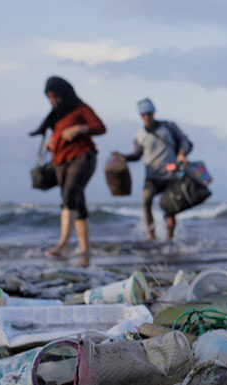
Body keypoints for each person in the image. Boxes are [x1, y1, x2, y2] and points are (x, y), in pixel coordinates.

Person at [30, 76, 106, 267]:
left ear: (64, 93)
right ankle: (85, 250)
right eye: (49, 97)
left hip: (82, 157)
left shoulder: (81, 108)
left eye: (55, 96)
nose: (53, 101)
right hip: (61, 162)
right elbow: (57, 134)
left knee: (70, 195)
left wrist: (80, 128)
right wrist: (52, 144)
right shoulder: (56, 114)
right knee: (77, 203)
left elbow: (100, 127)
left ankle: (62, 244)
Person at [112, 98, 192, 240]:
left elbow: (184, 141)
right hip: (152, 177)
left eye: (149, 114)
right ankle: (152, 237)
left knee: (171, 208)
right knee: (146, 202)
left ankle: (170, 238)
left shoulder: (168, 127)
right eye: (144, 115)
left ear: (154, 113)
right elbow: (137, 155)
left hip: (170, 175)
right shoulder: (140, 135)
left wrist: (181, 153)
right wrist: (123, 157)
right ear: (141, 116)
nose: (147, 117)